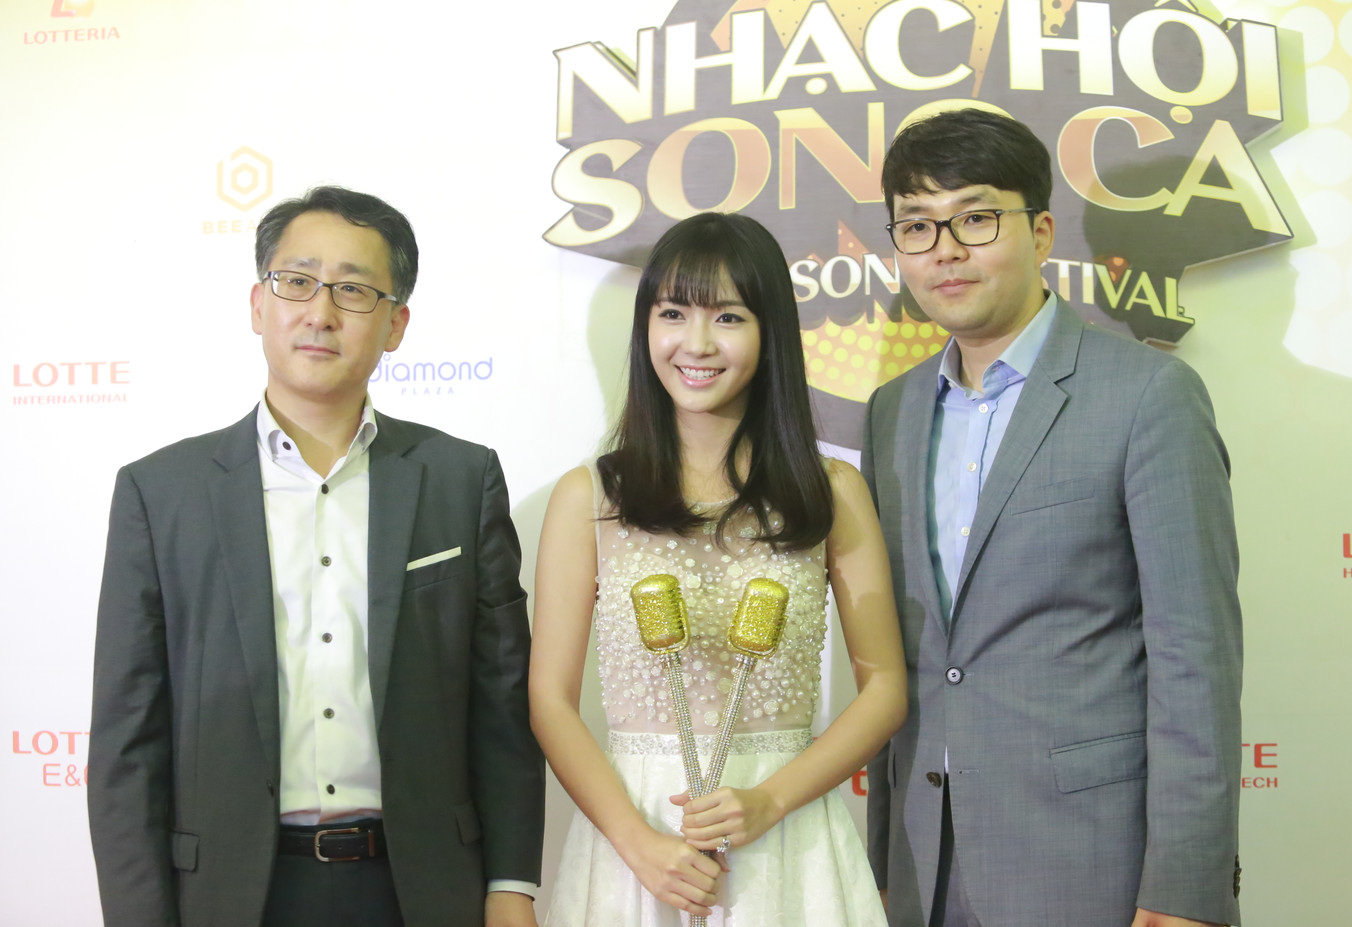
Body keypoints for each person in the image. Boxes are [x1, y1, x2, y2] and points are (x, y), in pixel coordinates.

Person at [88, 186, 544, 927]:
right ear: (258, 304)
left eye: (353, 290)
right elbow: (126, 737)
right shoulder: (160, 492)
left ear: (396, 324)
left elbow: (502, 706)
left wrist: (512, 885)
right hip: (230, 894)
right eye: (296, 281)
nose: (320, 311)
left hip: (422, 888)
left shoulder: (461, 480)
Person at [862, 108, 1243, 927]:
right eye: (918, 226)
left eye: (974, 218)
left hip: (1090, 862)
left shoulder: (1148, 395)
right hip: (923, 863)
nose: (945, 250)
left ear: (1040, 233)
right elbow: (904, 656)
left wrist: (1185, 888)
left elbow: (1195, 658)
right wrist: (882, 861)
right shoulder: (891, 412)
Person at [530, 212, 907, 925]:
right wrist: (639, 844)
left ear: (770, 333)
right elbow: (550, 699)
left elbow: (884, 686)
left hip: (788, 836)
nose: (696, 343)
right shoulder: (590, 496)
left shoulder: (832, 491)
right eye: (673, 313)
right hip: (636, 837)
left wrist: (771, 798)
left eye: (728, 317)